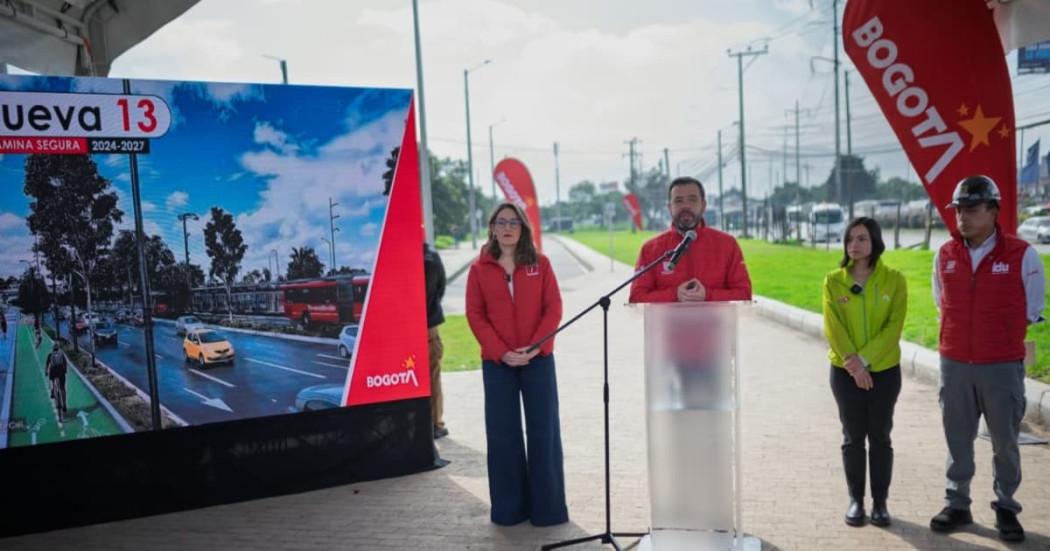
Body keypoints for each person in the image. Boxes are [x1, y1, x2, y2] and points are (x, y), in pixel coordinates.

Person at [928, 175, 1044, 543]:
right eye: (959, 210)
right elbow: (939, 302)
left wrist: (997, 338)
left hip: (1001, 365)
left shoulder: (1023, 255)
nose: (963, 217)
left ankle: (1006, 506)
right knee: (957, 437)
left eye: (972, 209)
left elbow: (1033, 307)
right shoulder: (944, 254)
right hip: (955, 362)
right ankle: (957, 503)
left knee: (1005, 440)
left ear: (994, 211)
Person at [465, 202, 568, 527]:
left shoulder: (542, 264)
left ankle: (548, 510)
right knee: (503, 434)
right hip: (498, 364)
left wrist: (536, 347)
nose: (507, 227)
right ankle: (509, 510)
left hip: (538, 360)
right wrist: (501, 352)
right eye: (501, 222)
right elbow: (475, 315)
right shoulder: (479, 269)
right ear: (492, 228)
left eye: (514, 222)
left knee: (543, 432)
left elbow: (553, 308)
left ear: (523, 228)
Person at [822, 217, 906, 528]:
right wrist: (853, 363)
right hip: (844, 372)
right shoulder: (833, 280)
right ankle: (856, 500)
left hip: (884, 371)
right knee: (853, 437)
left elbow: (893, 328)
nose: (854, 245)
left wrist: (866, 361)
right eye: (850, 239)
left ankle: (880, 503)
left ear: (875, 243)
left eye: (862, 239)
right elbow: (833, 326)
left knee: (880, 436)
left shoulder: (894, 280)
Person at [629, 177, 752, 303]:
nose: (686, 206)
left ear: (703, 205)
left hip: (714, 323)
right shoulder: (650, 249)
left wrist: (707, 295)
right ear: (670, 208)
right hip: (668, 323)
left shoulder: (727, 245)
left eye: (692, 200)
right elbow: (636, 298)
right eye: (678, 200)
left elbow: (744, 295)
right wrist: (674, 294)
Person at [423, 242, 449, 440]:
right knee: (433, 375)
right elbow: (441, 288)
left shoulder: (395, 253)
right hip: (429, 323)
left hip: (403, 325)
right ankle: (435, 424)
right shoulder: (430, 256)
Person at [45, 344, 69, 417]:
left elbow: (47, 364)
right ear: (58, 349)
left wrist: (46, 371)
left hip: (53, 371)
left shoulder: (50, 355)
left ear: (52, 349)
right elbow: (65, 363)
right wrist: (65, 371)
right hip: (61, 371)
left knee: (51, 379)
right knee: (62, 388)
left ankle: (52, 390)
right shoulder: (61, 354)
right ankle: (64, 404)